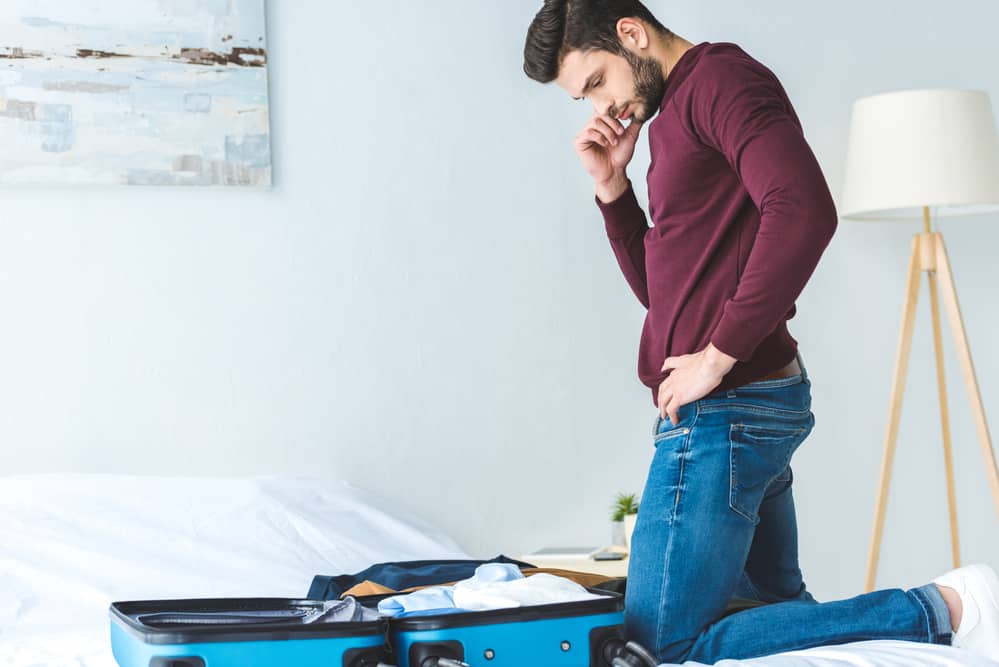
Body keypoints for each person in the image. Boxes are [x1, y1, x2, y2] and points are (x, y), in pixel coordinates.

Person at [522, 1, 999, 663]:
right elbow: (668, 299)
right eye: (584, 96)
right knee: (769, 620)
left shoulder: (719, 81)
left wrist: (716, 357)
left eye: (597, 81)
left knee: (660, 645)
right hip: (734, 407)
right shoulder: (677, 114)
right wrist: (613, 190)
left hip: (726, 409)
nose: (601, 104)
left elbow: (803, 207)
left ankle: (943, 608)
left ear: (630, 34)